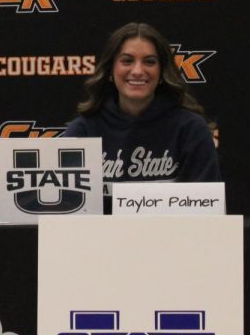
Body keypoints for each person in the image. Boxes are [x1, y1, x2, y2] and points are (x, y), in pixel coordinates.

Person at [62, 22, 220, 209]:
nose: (137, 71)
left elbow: (207, 213)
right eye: (127, 61)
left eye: (149, 62)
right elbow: (66, 213)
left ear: (161, 72)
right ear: (111, 70)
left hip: (172, 237)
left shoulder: (191, 129)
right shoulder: (83, 131)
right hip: (101, 238)